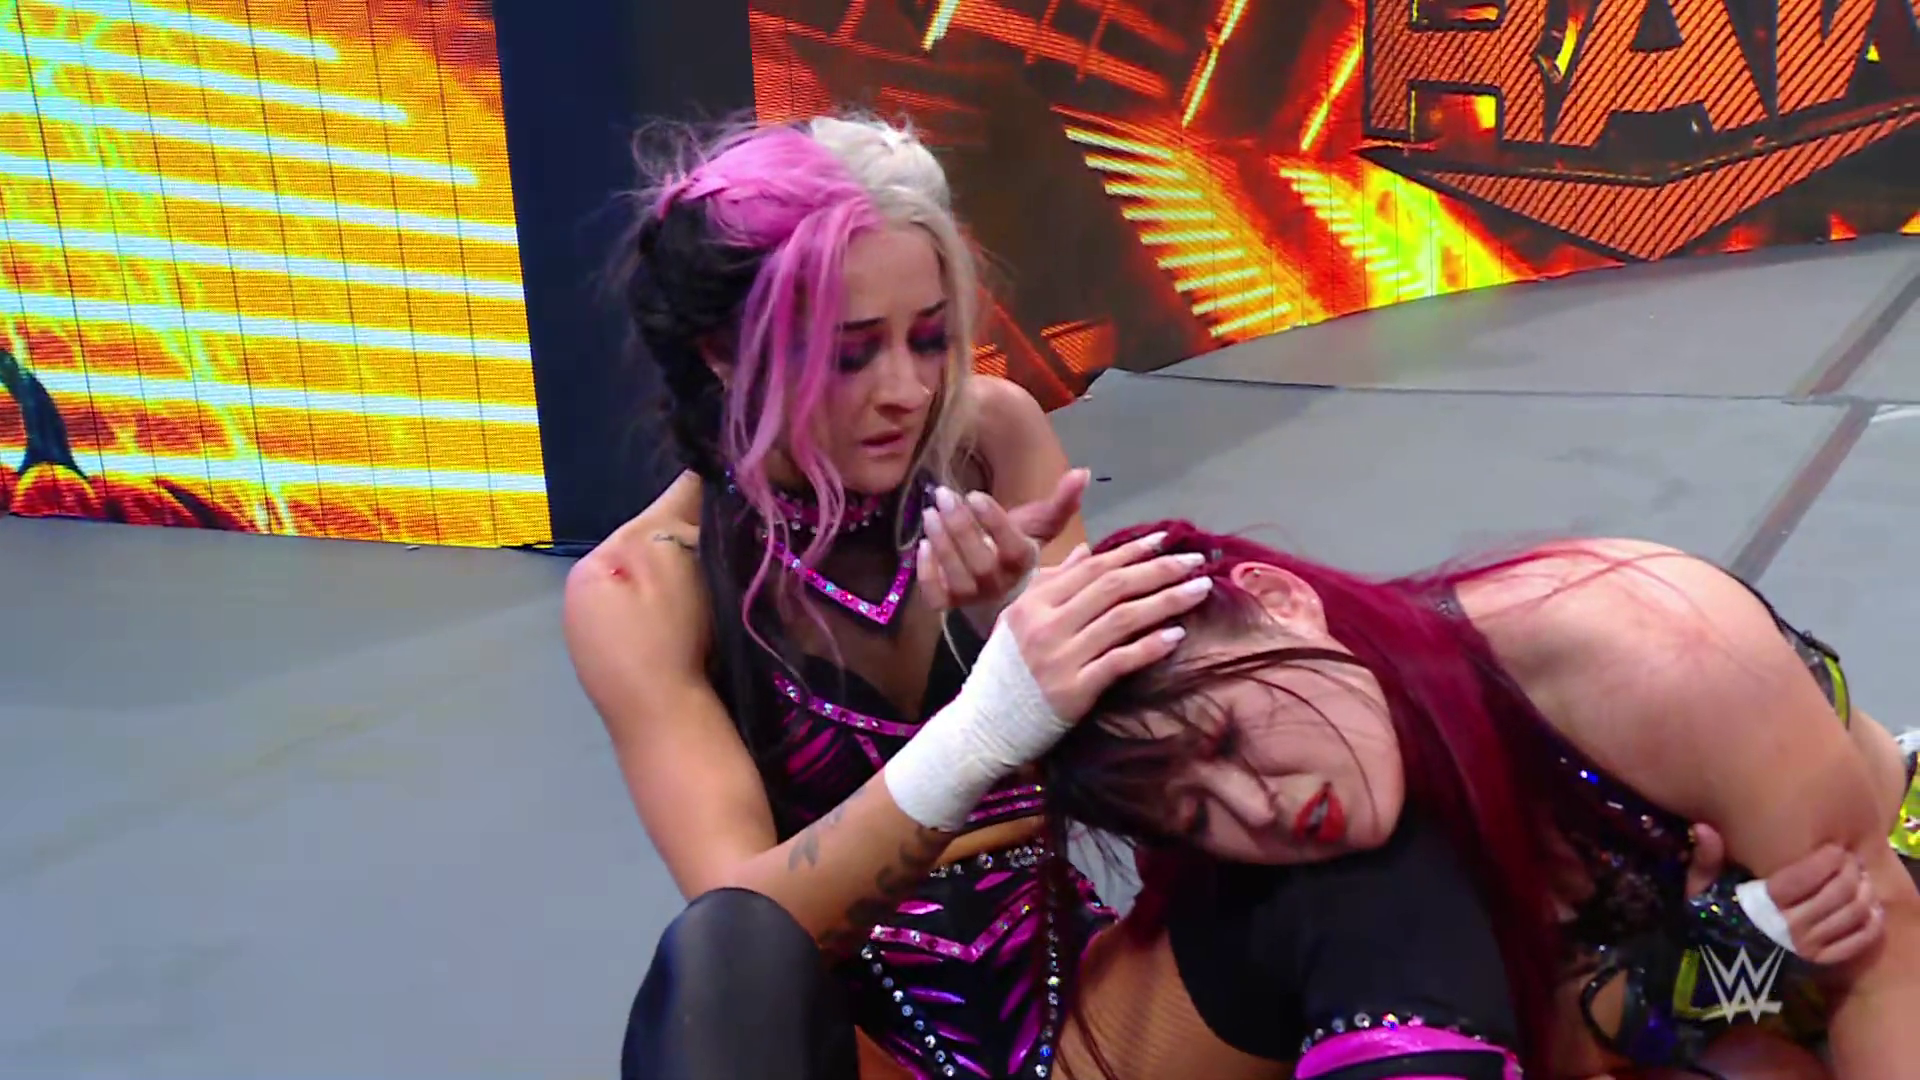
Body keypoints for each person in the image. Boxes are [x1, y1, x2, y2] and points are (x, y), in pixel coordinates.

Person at [575, 113, 1886, 1080]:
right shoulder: (642, 591)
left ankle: (1622, 988)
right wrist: (987, 721)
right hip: (876, 1048)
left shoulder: (991, 437)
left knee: (1341, 809)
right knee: (717, 970)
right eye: (852, 354)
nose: (909, 390)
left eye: (929, 337)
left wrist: (1023, 620)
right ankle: (1639, 990)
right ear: (728, 350)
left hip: (1094, 1017)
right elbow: (756, 926)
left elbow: (1165, 759)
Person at [1039, 522, 1920, 1079]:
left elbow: (1888, 956)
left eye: (1229, 738)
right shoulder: (1337, 834)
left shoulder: (1650, 650)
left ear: (1281, 602)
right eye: (1197, 815)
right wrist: (1682, 977)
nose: (1256, 809)